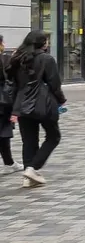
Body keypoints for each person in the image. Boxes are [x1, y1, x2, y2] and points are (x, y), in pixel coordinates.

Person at [12, 30, 66, 188]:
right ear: (42, 43)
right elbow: (54, 84)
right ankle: (32, 168)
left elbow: (12, 83)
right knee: (53, 136)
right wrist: (61, 100)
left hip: (21, 104)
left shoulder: (17, 58)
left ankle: (28, 178)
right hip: (43, 104)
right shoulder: (47, 59)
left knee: (28, 140)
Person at [0, 36, 16, 174]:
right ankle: (9, 162)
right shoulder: (4, 59)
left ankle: (9, 162)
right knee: (4, 131)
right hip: (2, 102)